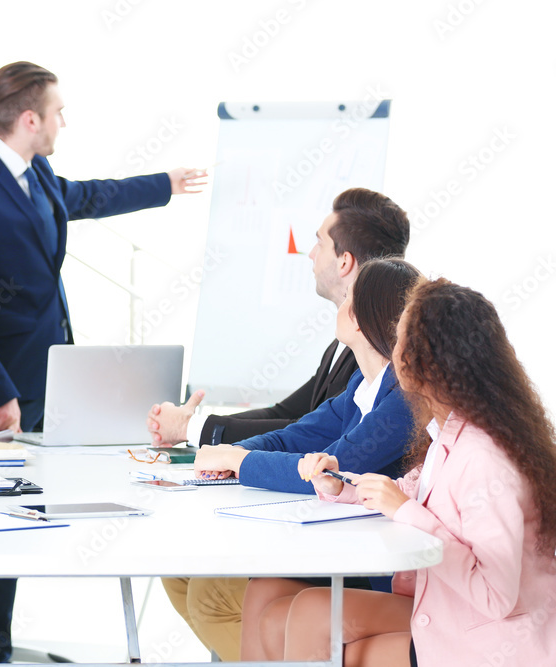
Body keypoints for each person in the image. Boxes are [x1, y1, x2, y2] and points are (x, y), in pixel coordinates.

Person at [0, 60, 202, 661]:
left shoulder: (37, 171)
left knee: (52, 499)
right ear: (29, 119)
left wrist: (165, 184)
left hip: (49, 375)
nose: (62, 123)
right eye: (57, 114)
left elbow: (86, 197)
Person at [248, 279, 556, 665]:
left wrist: (406, 513)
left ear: (428, 360)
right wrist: (340, 485)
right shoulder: (451, 431)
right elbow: (409, 494)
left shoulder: (484, 459)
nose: (393, 351)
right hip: (451, 611)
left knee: (318, 621)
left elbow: (494, 594)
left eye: (400, 338)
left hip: (492, 640)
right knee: (296, 612)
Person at [160, 189, 411, 660]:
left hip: (373, 560)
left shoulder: (401, 396)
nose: (308, 252)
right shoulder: (362, 381)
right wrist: (226, 458)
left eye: (317, 241)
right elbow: (297, 432)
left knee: (237, 593)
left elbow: (335, 466)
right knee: (225, 583)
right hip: (342, 538)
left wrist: (240, 460)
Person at [148, 187, 411, 448]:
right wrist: (193, 424)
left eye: (319, 243)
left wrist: (189, 427)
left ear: (344, 262)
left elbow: (311, 433)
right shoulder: (341, 344)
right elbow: (285, 414)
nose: (310, 253)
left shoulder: (374, 347)